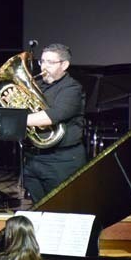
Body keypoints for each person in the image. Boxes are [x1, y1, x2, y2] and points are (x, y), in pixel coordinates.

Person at [23, 43, 86, 203]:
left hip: (62, 161)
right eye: (42, 61)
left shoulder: (72, 88)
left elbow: (52, 116)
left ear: (64, 65)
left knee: (62, 212)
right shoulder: (37, 86)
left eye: (50, 62)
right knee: (39, 211)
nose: (44, 66)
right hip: (34, 159)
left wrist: (15, 120)